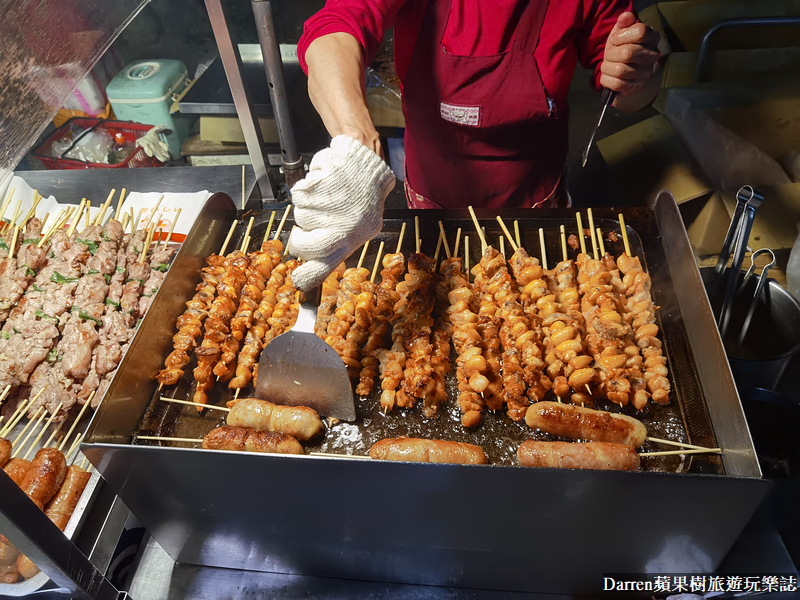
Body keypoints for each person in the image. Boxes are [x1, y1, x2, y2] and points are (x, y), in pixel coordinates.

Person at [287, 1, 661, 290]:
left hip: (534, 207)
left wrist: (635, 73)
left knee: (534, 299)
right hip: (432, 201)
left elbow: (629, 91)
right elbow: (333, 30)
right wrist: (356, 144)